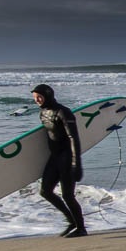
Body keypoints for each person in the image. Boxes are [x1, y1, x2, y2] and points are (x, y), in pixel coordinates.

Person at [32, 83, 87, 237]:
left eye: (39, 97)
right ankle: (71, 221)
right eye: (35, 98)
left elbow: (73, 138)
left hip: (67, 157)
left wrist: (77, 164)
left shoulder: (63, 112)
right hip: (54, 157)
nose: (37, 100)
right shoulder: (43, 113)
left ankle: (81, 228)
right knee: (45, 191)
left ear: (48, 95)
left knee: (68, 195)